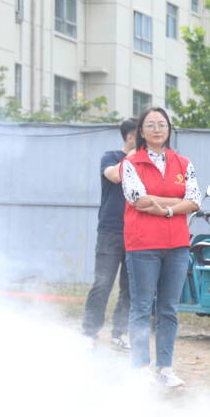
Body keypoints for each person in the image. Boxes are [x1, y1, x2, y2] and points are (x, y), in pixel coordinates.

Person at [122, 107, 201, 388]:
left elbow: (195, 200)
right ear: (141, 131)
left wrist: (163, 207)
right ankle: (140, 367)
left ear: (169, 129)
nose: (157, 129)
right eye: (151, 125)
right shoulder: (132, 163)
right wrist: (175, 203)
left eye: (162, 124)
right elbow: (136, 199)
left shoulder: (183, 162)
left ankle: (165, 367)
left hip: (177, 244)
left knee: (168, 308)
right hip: (143, 244)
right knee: (142, 307)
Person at [81, 118, 137, 348]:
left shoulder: (145, 162)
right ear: (130, 136)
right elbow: (115, 175)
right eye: (141, 134)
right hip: (111, 231)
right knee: (102, 284)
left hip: (137, 232)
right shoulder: (111, 157)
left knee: (130, 287)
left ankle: (119, 333)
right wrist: (135, 154)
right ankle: (89, 332)